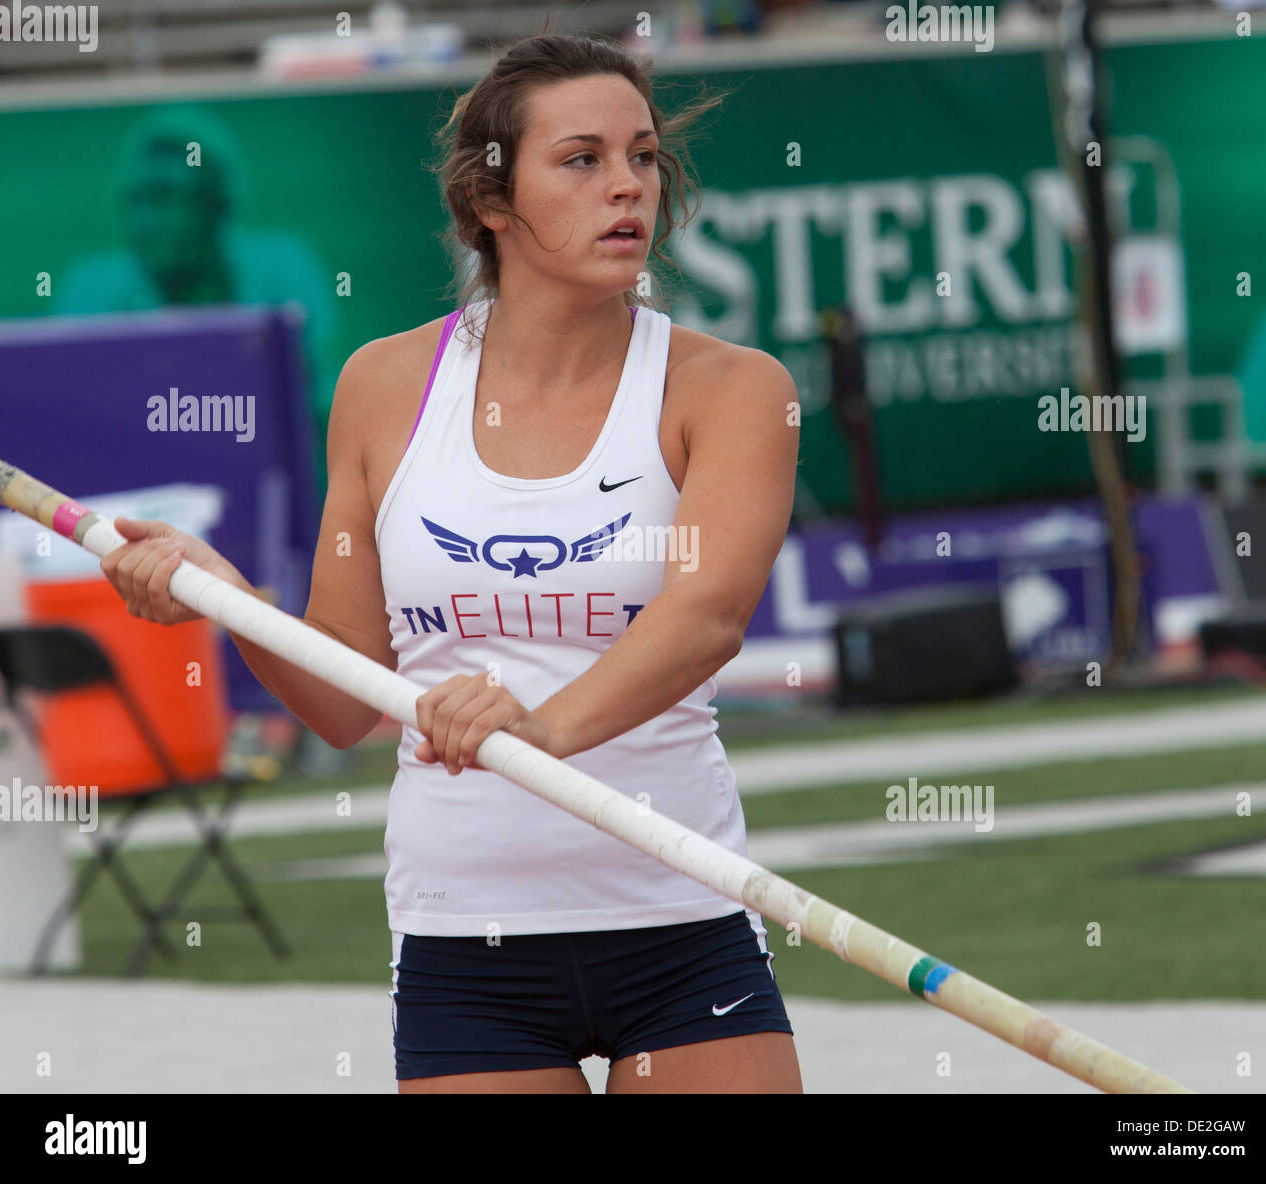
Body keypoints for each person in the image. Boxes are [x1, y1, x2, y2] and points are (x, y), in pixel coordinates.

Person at [99, 31, 802, 1094]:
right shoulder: (383, 387)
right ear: (490, 200)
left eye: (643, 156)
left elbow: (704, 616)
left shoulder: (732, 388)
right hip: (464, 943)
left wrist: (539, 726)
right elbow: (345, 697)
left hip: (678, 916)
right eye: (582, 159)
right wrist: (231, 602)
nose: (627, 187)